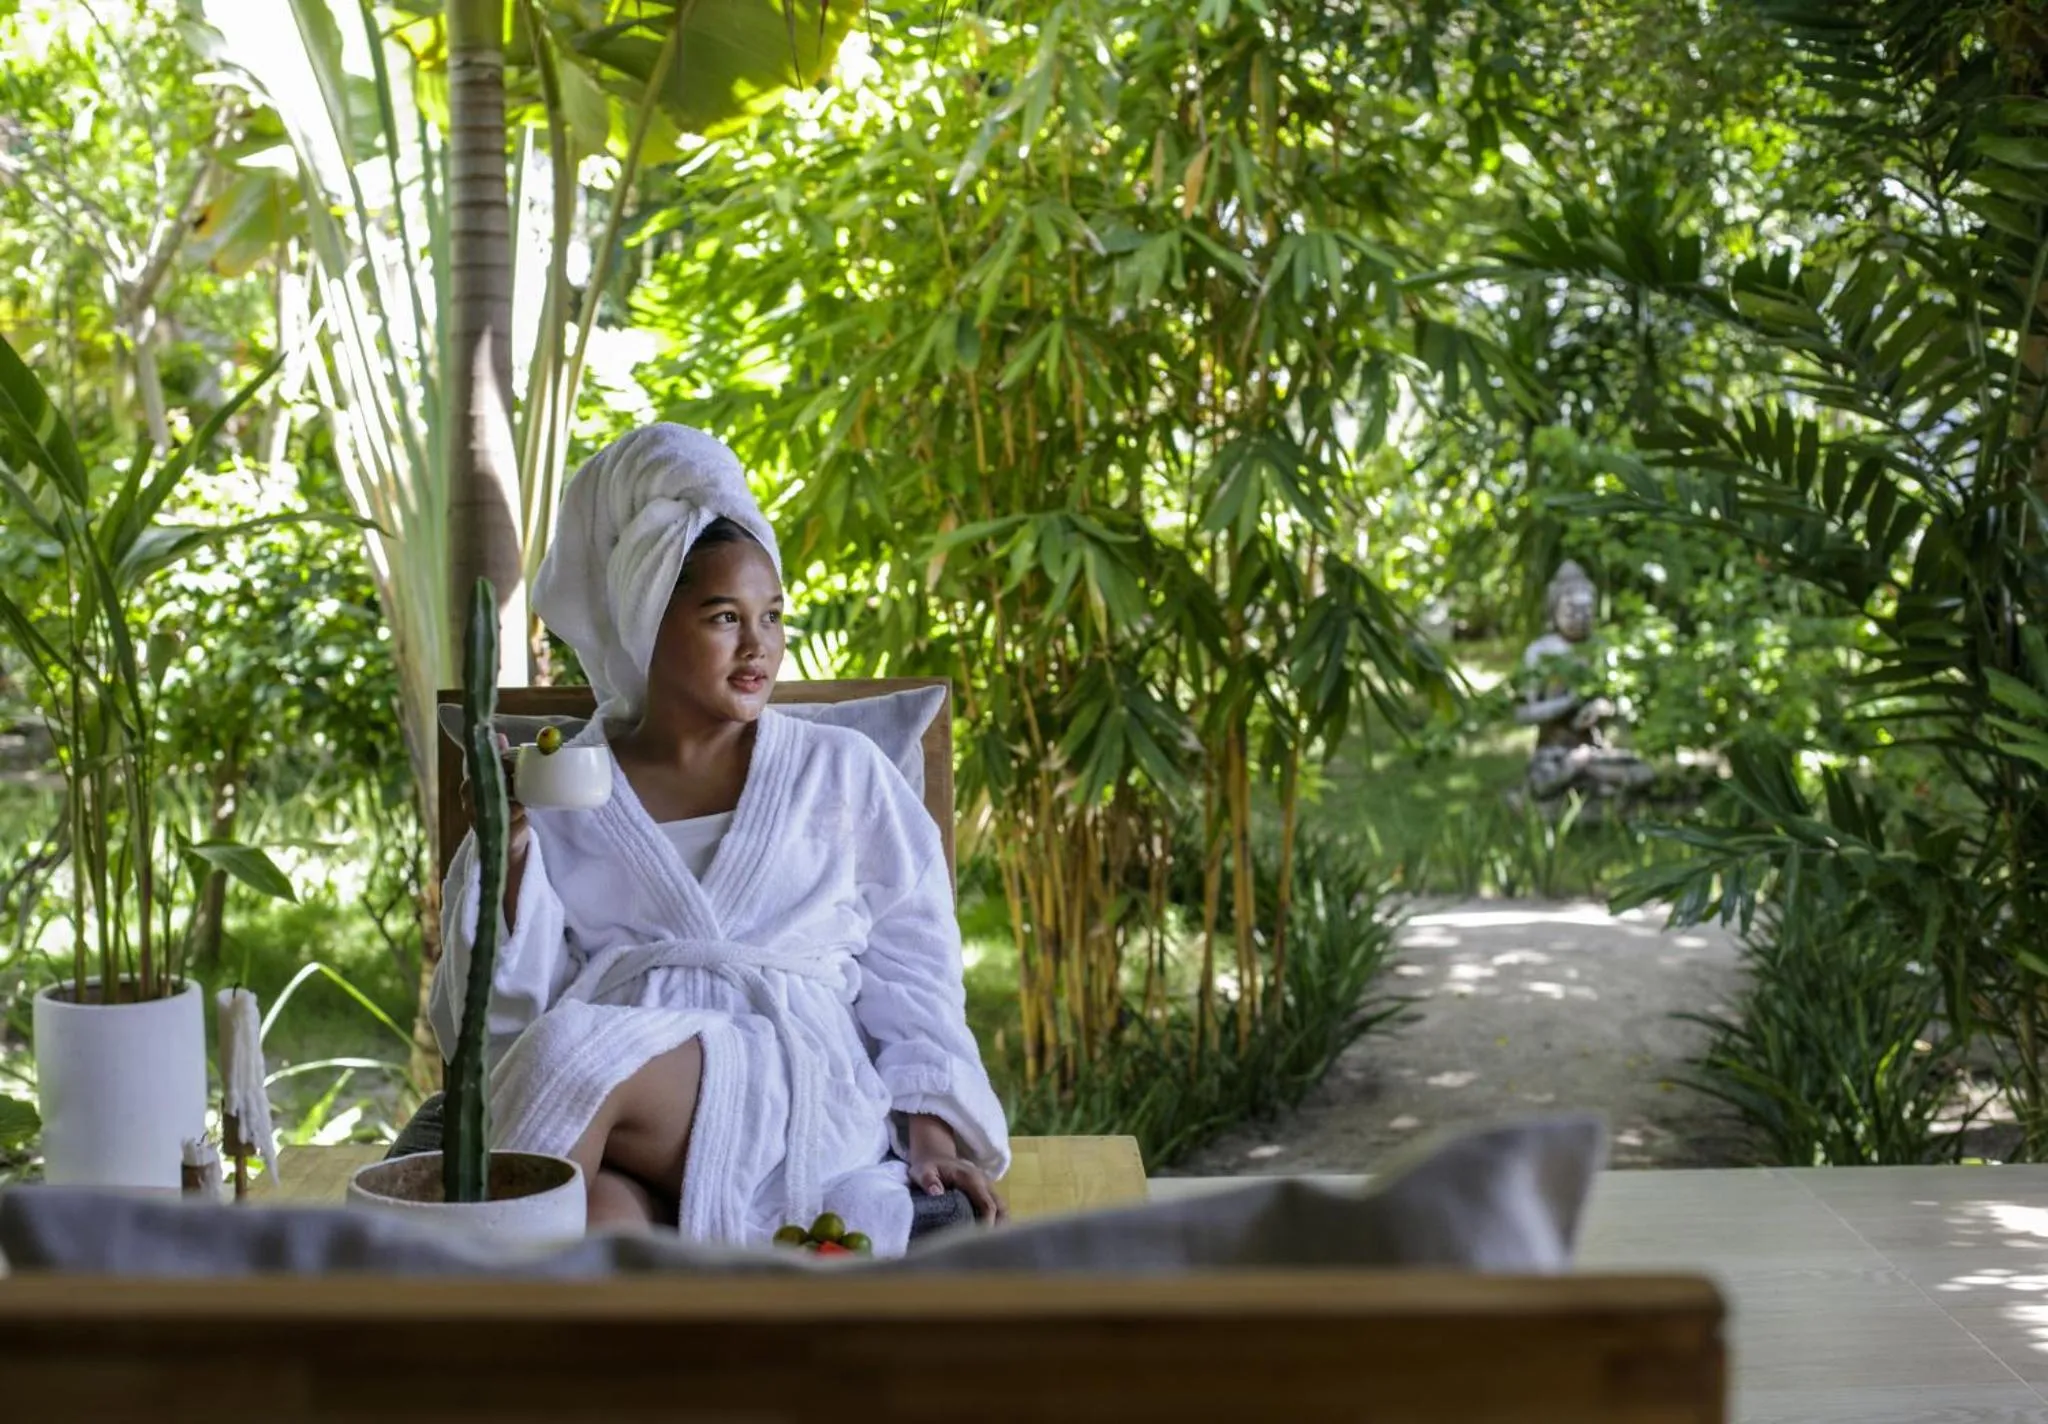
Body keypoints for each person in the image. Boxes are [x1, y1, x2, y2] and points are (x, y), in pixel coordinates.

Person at [428, 424, 1010, 1255]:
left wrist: (932, 1133)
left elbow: (913, 967)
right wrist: (509, 850)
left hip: (790, 1084)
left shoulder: (840, 773)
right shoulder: (566, 781)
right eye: (723, 617)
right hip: (633, 1119)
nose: (758, 645)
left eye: (772, 617)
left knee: (570, 1052)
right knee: (593, 1228)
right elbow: (497, 1017)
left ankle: (438, 1316)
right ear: (648, 624)